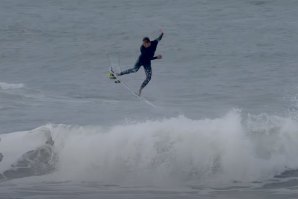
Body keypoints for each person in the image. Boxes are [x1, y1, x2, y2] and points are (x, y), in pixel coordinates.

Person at [115, 32, 164, 96]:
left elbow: (158, 38)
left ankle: (140, 89)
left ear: (149, 42)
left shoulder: (154, 43)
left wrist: (162, 33)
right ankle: (119, 74)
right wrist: (156, 57)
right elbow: (148, 58)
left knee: (149, 77)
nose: (143, 45)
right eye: (143, 43)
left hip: (147, 63)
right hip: (141, 60)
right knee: (134, 70)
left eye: (144, 44)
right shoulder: (142, 48)